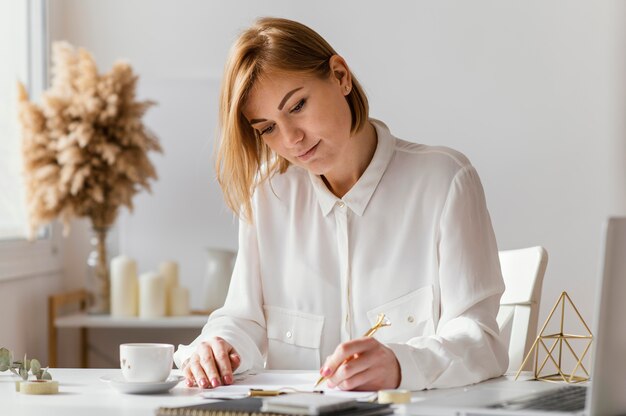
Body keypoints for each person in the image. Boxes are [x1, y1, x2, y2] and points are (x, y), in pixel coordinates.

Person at [174, 16, 508, 391]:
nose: (292, 139)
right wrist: (214, 347)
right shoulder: (268, 193)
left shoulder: (445, 182)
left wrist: (402, 365)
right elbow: (242, 320)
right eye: (267, 128)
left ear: (340, 76)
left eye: (297, 105)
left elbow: (482, 341)